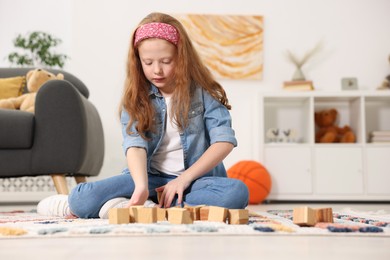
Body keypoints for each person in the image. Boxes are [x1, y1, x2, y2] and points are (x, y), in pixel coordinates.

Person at [37, 12, 249, 219]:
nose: (157, 70)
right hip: (149, 179)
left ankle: (142, 205)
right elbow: (135, 144)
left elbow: (224, 142)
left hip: (195, 180)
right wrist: (141, 186)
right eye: (148, 62)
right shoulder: (136, 97)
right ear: (138, 61)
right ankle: (155, 203)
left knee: (237, 193)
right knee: (82, 200)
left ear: (182, 57)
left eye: (166, 61)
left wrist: (183, 180)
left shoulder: (204, 93)